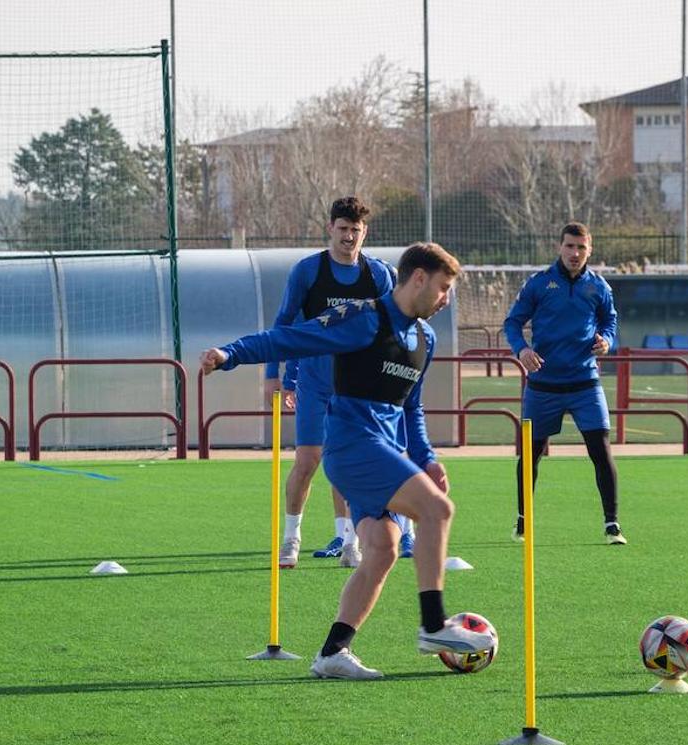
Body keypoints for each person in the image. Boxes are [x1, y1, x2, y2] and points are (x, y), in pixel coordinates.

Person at [202, 242, 496, 679]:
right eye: (443, 288)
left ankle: (332, 653)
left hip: (385, 450)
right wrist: (231, 355)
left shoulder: (425, 338)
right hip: (351, 446)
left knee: (382, 549)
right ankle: (434, 626)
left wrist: (428, 459)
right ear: (418, 278)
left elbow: (410, 407)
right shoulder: (363, 320)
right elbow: (290, 336)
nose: (445, 299)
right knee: (438, 510)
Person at [264, 196, 400, 569]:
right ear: (330, 229)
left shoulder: (379, 275)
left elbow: (393, 329)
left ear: (364, 232)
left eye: (356, 231)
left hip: (358, 386)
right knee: (308, 460)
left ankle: (349, 542)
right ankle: (291, 538)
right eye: (343, 229)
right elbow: (284, 322)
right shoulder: (308, 271)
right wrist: (273, 375)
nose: (349, 237)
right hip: (314, 381)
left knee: (348, 462)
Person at [503, 221, 626, 546]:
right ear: (560, 247)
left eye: (581, 247)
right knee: (531, 454)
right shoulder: (540, 284)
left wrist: (607, 341)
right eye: (570, 246)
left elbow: (610, 320)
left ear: (590, 250)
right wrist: (523, 349)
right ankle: (522, 520)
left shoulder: (598, 287)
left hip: (585, 382)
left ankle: (612, 524)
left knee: (601, 450)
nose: (575, 253)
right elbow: (513, 322)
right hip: (543, 385)